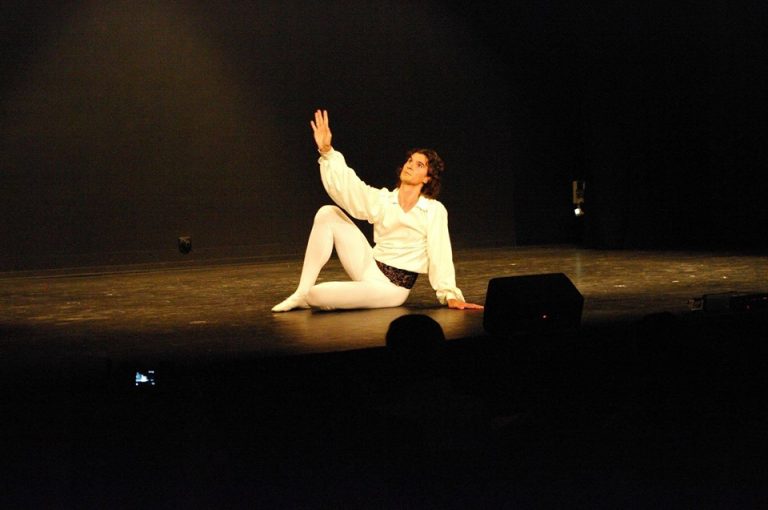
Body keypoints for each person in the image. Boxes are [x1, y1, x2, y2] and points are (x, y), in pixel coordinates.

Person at [271, 109, 483, 312]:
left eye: (419, 165)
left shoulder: (433, 210)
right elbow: (350, 189)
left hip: (391, 289)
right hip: (369, 267)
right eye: (410, 161)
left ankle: (322, 296)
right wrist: (327, 151)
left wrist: (449, 294)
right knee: (327, 213)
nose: (410, 165)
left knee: (317, 294)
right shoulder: (385, 200)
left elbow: (440, 253)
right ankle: (301, 292)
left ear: (428, 178)